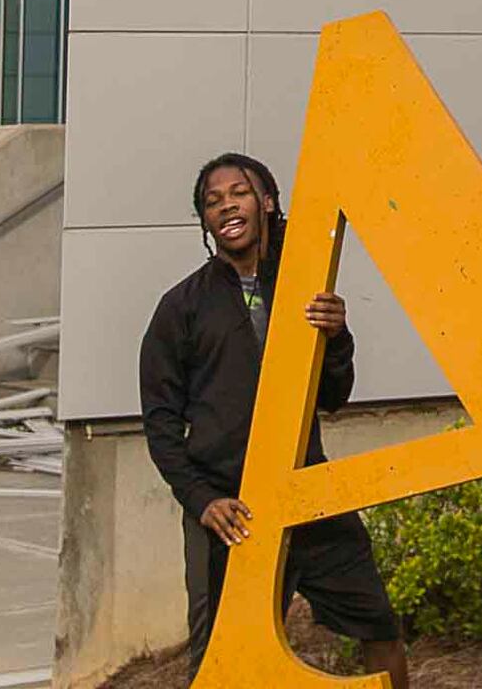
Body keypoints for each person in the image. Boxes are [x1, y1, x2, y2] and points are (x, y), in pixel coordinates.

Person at [138, 154, 410, 685]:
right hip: (231, 510)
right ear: (205, 222)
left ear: (266, 202)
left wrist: (337, 337)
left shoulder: (301, 286)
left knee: (380, 627)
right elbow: (161, 422)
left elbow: (333, 396)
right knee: (221, 662)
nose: (225, 206)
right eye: (212, 202)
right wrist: (202, 502)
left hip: (308, 492)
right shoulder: (181, 307)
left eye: (237, 193)